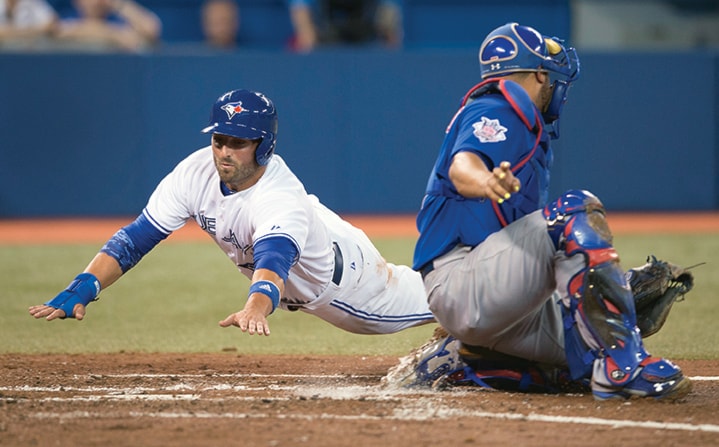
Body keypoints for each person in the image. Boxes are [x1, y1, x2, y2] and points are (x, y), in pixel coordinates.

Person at [384, 23, 692, 401]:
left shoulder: (514, 116)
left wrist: (615, 293)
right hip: (464, 281)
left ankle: (475, 358)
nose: (558, 87)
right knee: (576, 208)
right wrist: (483, 181)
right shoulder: (500, 106)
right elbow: (463, 164)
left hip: (496, 298)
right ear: (539, 75)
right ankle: (620, 369)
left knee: (608, 322)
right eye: (553, 76)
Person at [29, 89, 435, 338]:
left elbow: (274, 258)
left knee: (449, 300)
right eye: (219, 139)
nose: (224, 150)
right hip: (319, 233)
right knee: (450, 293)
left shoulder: (279, 198)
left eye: (238, 142)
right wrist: (85, 286)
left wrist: (256, 305)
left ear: (263, 145)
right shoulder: (194, 172)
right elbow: (136, 239)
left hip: (351, 287)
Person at [287, 0, 402, 52]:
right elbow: (300, 7)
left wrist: (389, 34)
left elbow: (389, 9)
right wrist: (306, 33)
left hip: (367, 34)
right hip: (326, 37)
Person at [53, 0, 161, 52]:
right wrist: (112, 34)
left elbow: (151, 29)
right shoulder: (68, 18)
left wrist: (119, 4)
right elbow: (60, 31)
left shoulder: (117, 21)